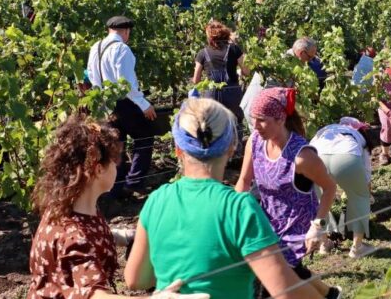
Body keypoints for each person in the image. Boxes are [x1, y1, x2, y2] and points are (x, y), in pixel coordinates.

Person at [124, 98, 322, 299]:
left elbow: (135, 280)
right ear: (231, 146)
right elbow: (285, 290)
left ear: (178, 149)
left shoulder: (157, 200)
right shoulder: (239, 208)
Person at [27, 114, 201, 299]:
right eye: (114, 162)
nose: (117, 168)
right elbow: (95, 295)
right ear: (98, 169)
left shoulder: (70, 208)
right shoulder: (73, 236)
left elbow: (88, 235)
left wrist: (123, 235)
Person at [235, 88, 342, 299]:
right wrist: (232, 214)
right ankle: (330, 294)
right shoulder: (255, 142)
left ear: (281, 118)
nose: (255, 126)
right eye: (253, 119)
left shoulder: (302, 157)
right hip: (267, 221)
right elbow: (244, 181)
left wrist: (317, 226)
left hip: (296, 226)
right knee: (292, 272)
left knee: (274, 280)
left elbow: (329, 187)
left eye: (262, 120)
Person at [87, 16, 156, 197]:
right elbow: (127, 84)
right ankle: (134, 181)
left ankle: (114, 189)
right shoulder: (122, 50)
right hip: (123, 102)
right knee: (144, 136)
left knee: (116, 144)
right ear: (125, 31)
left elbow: (93, 77)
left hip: (104, 103)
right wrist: (144, 104)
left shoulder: (96, 47)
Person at [310, 117, 376, 259]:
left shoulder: (327, 129)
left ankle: (324, 244)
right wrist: (366, 194)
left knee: (320, 200)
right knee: (359, 198)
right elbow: (366, 176)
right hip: (347, 157)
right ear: (358, 128)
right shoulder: (357, 137)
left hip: (316, 156)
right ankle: (357, 248)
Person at [193, 20, 249, 154]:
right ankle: (235, 154)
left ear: (209, 37)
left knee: (212, 124)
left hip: (211, 94)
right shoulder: (235, 49)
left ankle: (215, 154)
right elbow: (246, 71)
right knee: (236, 122)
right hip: (232, 93)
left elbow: (196, 79)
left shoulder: (202, 53)